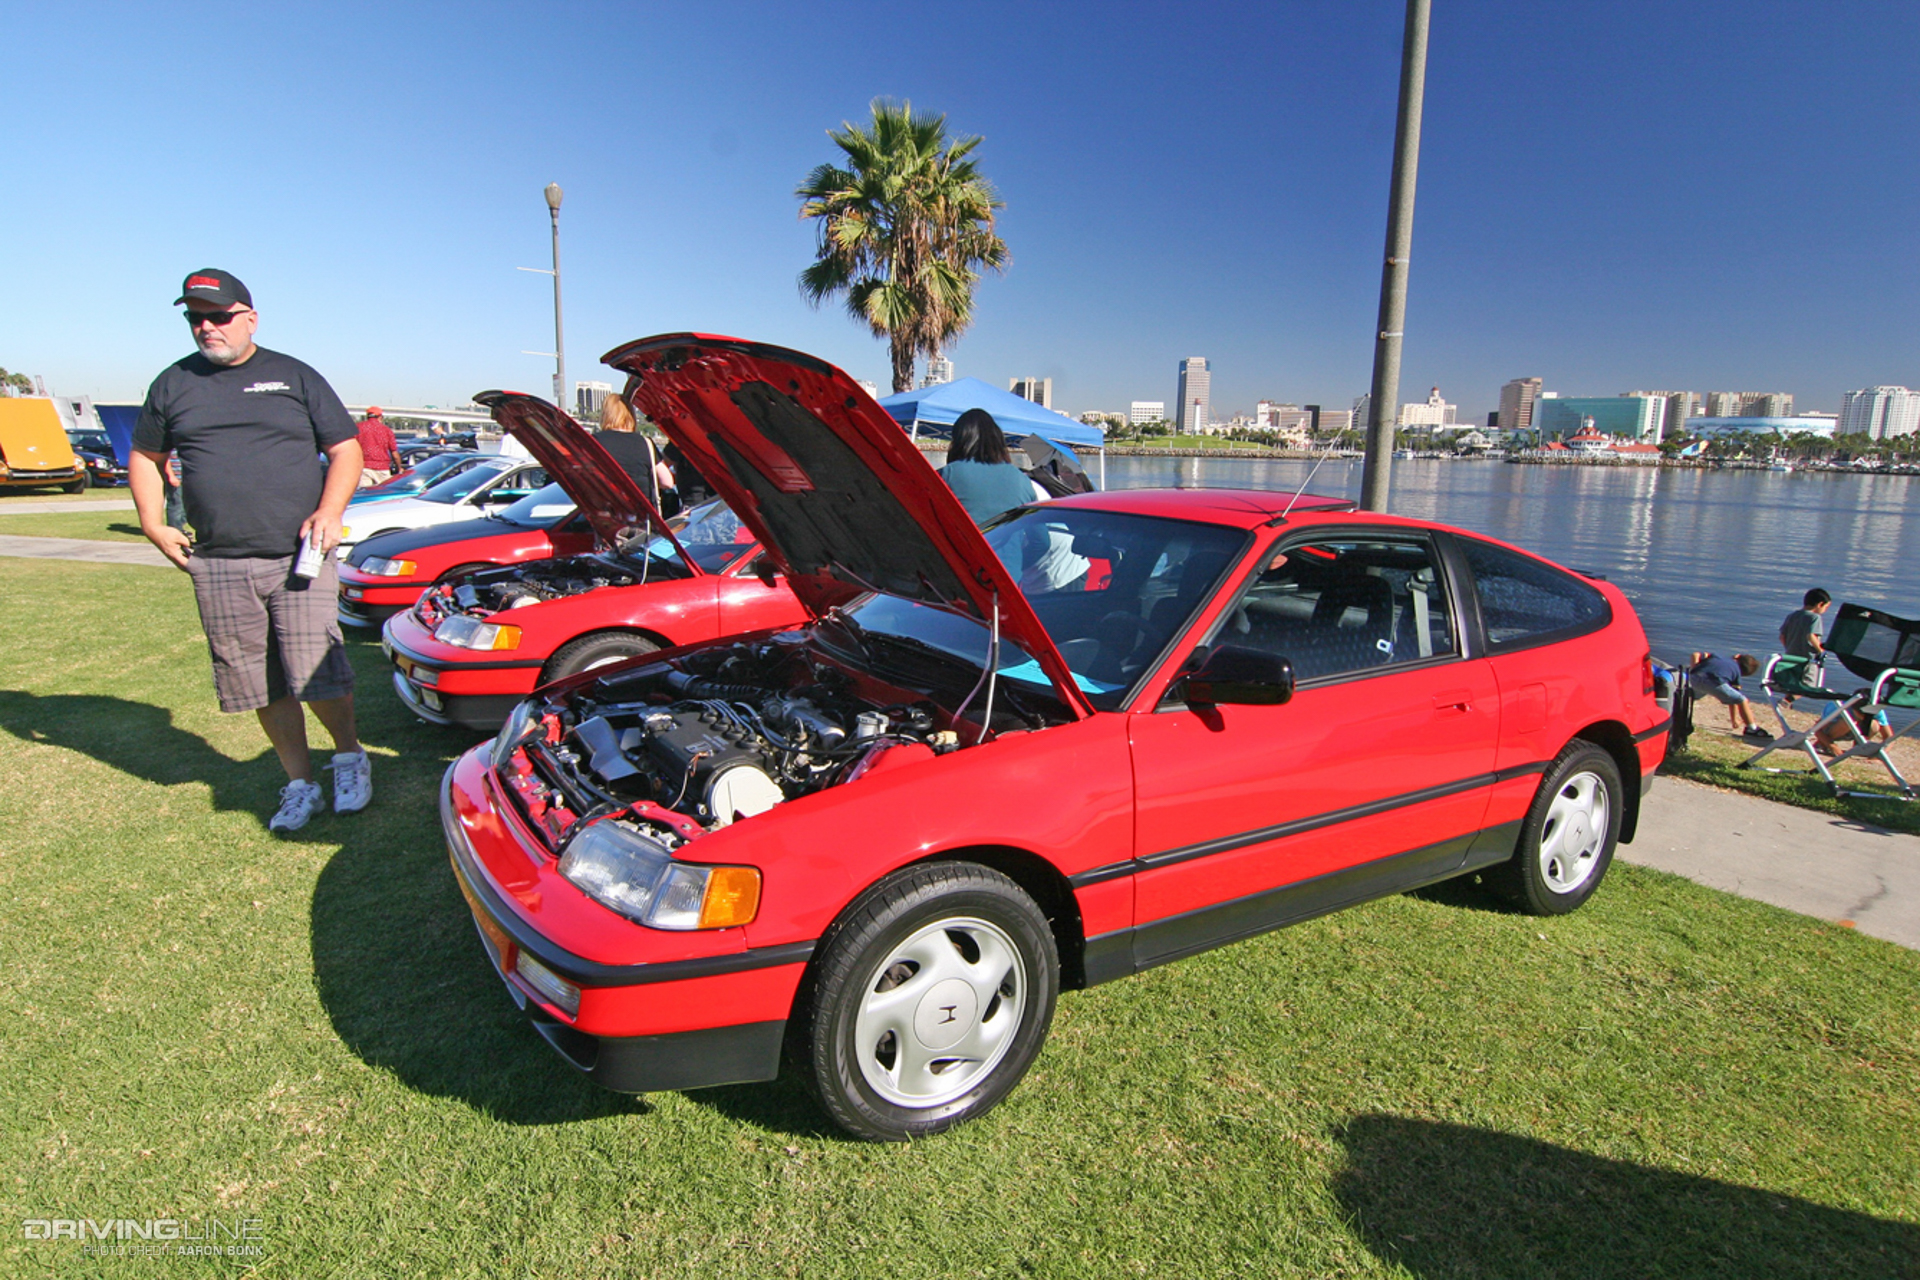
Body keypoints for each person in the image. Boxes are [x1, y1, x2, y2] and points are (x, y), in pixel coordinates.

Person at [129, 269, 371, 836]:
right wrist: (151, 523)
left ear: (249, 318)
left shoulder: (293, 375)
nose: (206, 327)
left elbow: (346, 449)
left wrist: (330, 512)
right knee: (257, 680)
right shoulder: (172, 384)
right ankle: (299, 782)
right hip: (217, 561)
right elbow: (144, 456)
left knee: (319, 670)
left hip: (299, 555)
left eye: (217, 315)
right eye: (195, 318)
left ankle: (349, 756)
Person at [938, 408, 1037, 526]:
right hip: (1006, 544)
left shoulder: (948, 474)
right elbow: (1042, 540)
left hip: (962, 544)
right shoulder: (1022, 479)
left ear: (959, 441)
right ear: (997, 439)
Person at [592, 393, 663, 511]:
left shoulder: (594, 442)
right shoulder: (645, 443)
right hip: (643, 518)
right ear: (631, 415)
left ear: (605, 415)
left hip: (609, 516)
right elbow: (667, 482)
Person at [1687, 651, 1771, 740]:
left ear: (1737, 656)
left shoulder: (1717, 656)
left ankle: (1677, 713)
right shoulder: (1736, 673)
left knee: (1692, 696)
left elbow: (1695, 654)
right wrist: (1734, 720)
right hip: (1715, 682)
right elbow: (1734, 701)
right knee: (1742, 700)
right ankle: (1752, 729)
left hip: (1695, 678)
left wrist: (1694, 669)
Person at [355, 407, 398, 487]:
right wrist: (399, 467)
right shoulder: (386, 430)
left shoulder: (358, 427)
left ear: (368, 416)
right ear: (380, 417)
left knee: (365, 494)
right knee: (383, 494)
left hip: (364, 467)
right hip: (382, 468)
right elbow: (394, 452)